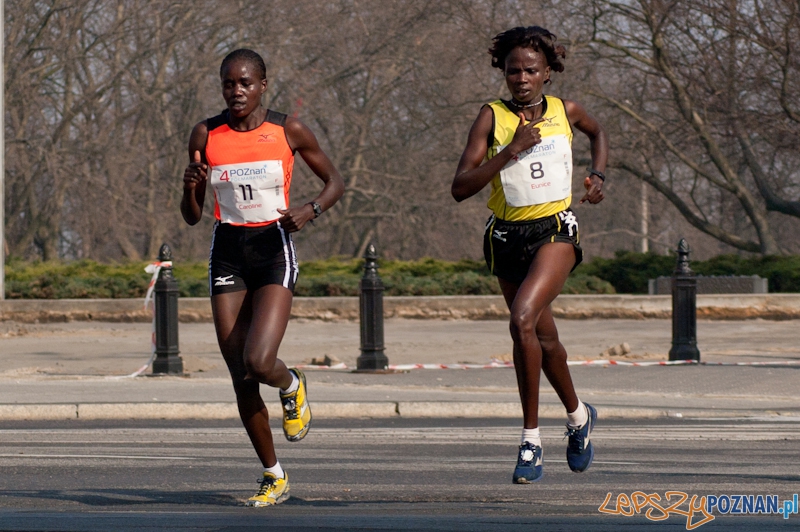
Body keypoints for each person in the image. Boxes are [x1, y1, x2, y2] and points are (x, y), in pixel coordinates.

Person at [181, 49, 345, 505]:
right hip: (228, 252)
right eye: (228, 84)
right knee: (240, 375)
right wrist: (191, 185)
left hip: (274, 249)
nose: (236, 91)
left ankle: (291, 384)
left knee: (258, 360)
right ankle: (274, 475)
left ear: (262, 85)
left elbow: (335, 181)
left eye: (245, 83)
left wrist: (309, 210)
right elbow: (192, 217)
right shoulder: (205, 133)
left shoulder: (287, 129)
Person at [451, 26, 607, 483]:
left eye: (531, 70)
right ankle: (579, 418)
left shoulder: (565, 111)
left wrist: (599, 175)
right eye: (513, 70)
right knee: (545, 339)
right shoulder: (491, 117)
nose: (521, 78)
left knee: (521, 319)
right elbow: (461, 187)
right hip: (506, 238)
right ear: (503, 72)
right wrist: (510, 151)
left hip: (555, 231)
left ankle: (530, 439)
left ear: (547, 75)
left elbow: (598, 133)